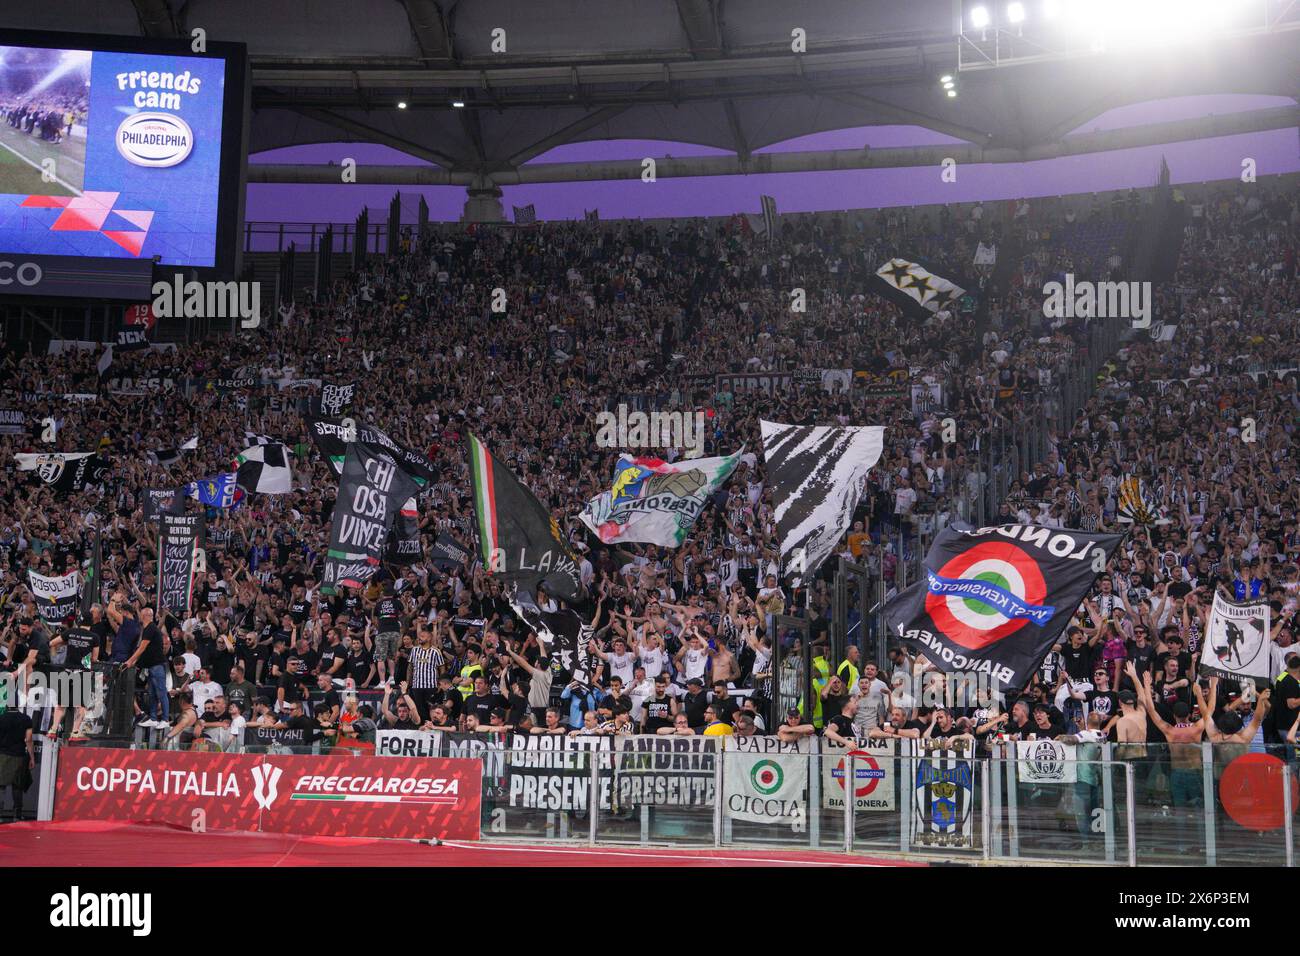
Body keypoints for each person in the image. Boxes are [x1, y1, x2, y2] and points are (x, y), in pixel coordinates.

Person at [0, 707, 34, 821]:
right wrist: (32, 758)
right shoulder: (26, 719)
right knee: (17, 787)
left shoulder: (1, 718)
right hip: (19, 756)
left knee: (1, 786)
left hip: (2, 756)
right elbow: (29, 739)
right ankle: (17, 816)